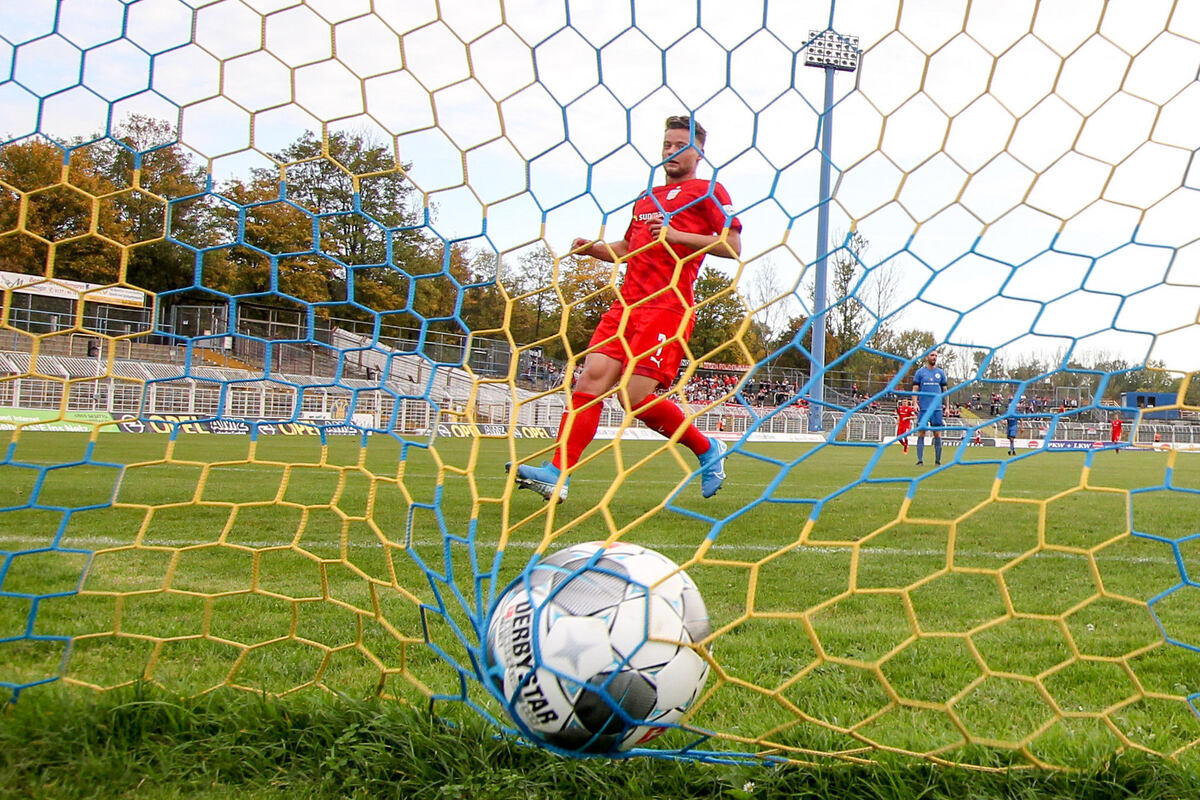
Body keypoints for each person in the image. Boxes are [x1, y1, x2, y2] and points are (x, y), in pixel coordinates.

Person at [511, 115, 742, 502]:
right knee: (590, 381)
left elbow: (732, 246)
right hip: (626, 305)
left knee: (634, 399)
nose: (670, 151)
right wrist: (594, 250)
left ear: (698, 151)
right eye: (666, 144)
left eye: (679, 145)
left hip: (667, 305)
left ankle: (707, 449)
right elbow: (627, 249)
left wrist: (676, 235)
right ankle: (557, 473)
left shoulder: (709, 191)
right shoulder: (645, 199)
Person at [911, 351, 947, 466]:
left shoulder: (940, 373)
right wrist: (915, 403)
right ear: (927, 357)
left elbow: (945, 391)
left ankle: (937, 461)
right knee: (922, 433)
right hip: (924, 409)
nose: (934, 357)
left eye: (936, 355)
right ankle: (920, 460)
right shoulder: (920, 373)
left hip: (937, 409)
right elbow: (915, 390)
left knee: (937, 434)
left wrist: (946, 407)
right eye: (932, 355)